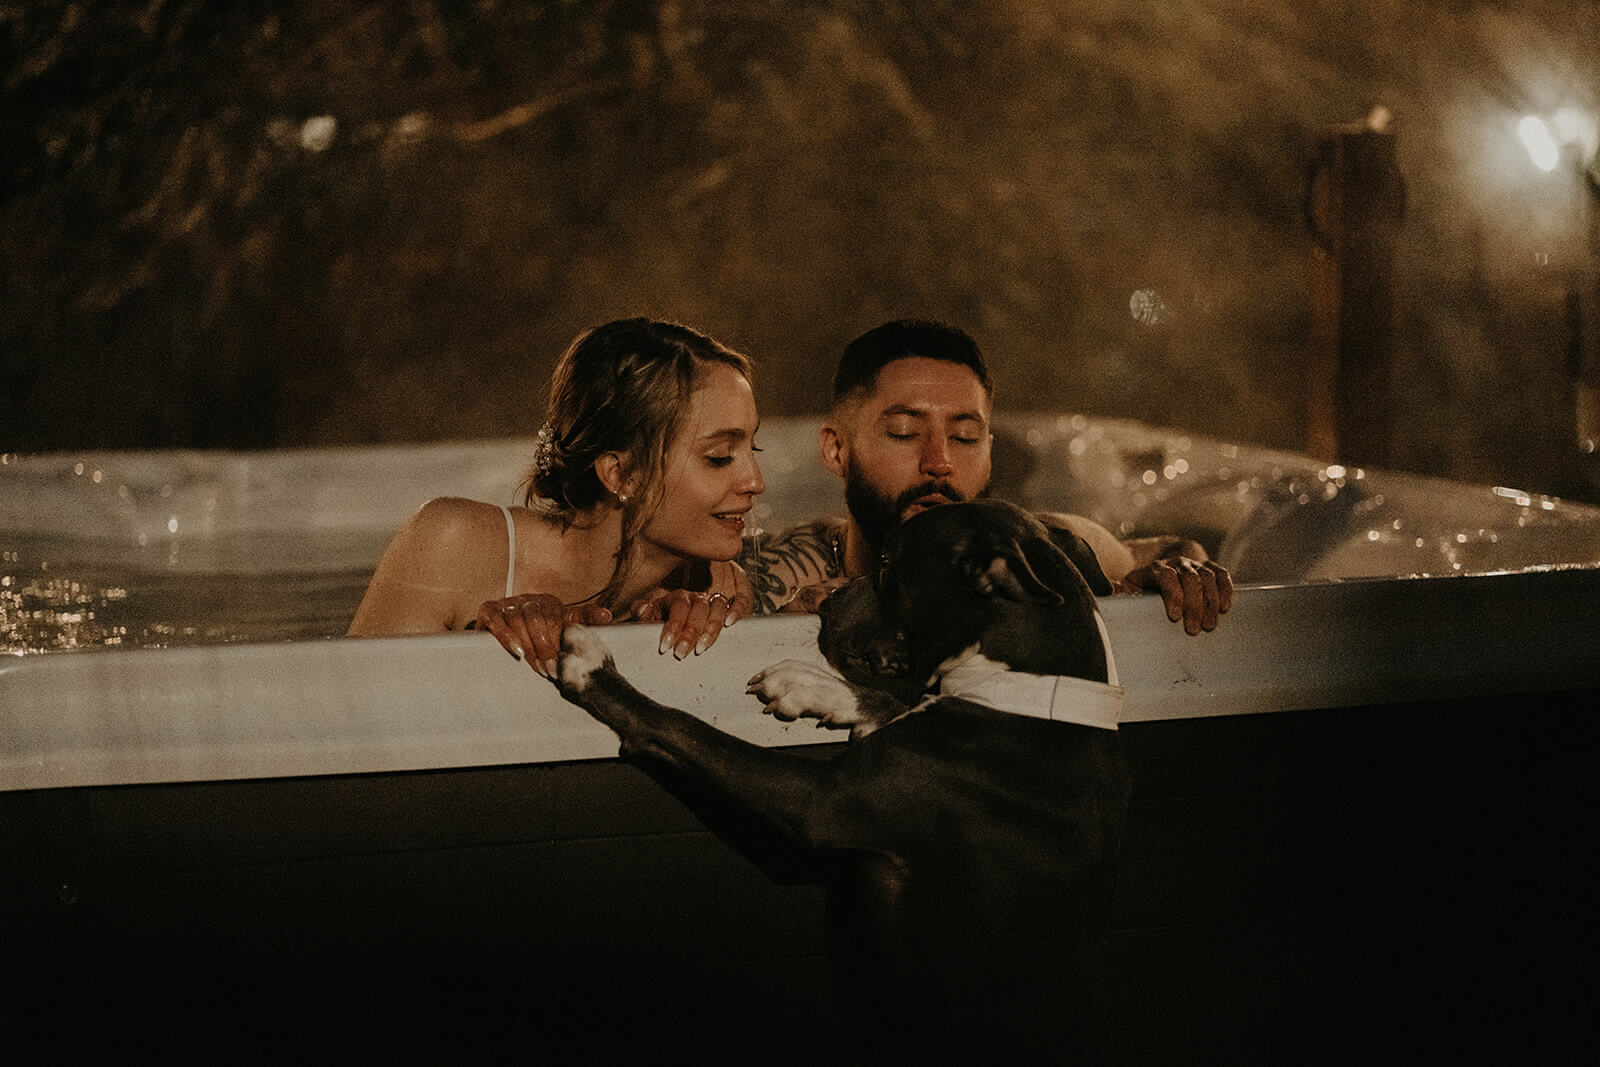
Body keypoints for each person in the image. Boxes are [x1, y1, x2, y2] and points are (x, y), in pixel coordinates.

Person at [743, 319, 1232, 633]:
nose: (939, 461)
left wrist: (1182, 573)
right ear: (836, 450)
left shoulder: (1042, 549)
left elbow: (1169, 549)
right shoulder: (775, 576)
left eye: (965, 436)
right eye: (904, 431)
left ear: (990, 451)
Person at [348, 318, 764, 674]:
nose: (755, 481)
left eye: (753, 448)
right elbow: (350, 716)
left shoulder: (714, 582)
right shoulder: (454, 546)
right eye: (720, 457)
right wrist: (481, 653)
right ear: (620, 475)